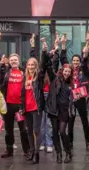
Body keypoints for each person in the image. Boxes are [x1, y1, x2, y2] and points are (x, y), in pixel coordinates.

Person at [0, 33, 31, 158]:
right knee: (9, 130)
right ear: (9, 62)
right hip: (8, 105)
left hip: (20, 106)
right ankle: (9, 149)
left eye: (15, 60)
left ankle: (27, 151)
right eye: (12, 60)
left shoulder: (23, 73)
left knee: (23, 130)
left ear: (19, 61)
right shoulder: (6, 73)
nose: (14, 61)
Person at [59, 34, 89, 151]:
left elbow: (87, 58)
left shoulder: (84, 69)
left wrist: (87, 44)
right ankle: (71, 142)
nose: (76, 62)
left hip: (81, 98)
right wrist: (63, 45)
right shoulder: (69, 70)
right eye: (74, 60)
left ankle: (88, 142)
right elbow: (63, 58)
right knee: (71, 122)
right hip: (71, 99)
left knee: (84, 121)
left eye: (77, 60)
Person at [20, 36, 49, 164]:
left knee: (36, 131)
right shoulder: (24, 77)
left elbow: (42, 64)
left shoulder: (39, 77)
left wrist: (41, 50)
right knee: (28, 130)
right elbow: (22, 95)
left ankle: (37, 153)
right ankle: (32, 151)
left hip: (36, 108)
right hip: (27, 108)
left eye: (33, 64)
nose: (31, 66)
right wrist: (22, 108)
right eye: (29, 64)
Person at [45, 42, 74, 164]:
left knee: (62, 132)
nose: (67, 73)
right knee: (55, 133)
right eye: (65, 71)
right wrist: (55, 52)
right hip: (54, 110)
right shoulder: (55, 79)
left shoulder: (70, 84)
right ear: (62, 71)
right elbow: (50, 67)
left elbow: (73, 97)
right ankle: (59, 154)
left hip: (64, 112)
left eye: (69, 72)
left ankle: (68, 152)